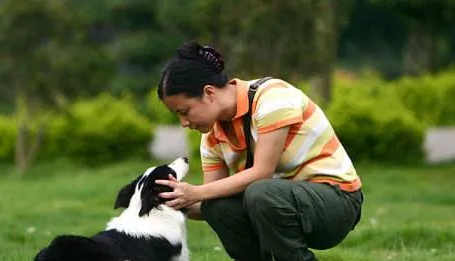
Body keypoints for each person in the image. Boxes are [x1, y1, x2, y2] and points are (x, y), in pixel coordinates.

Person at [154, 40, 363, 261]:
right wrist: (169, 202)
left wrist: (194, 193)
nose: (184, 123)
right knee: (216, 205)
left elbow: (262, 172)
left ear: (209, 93)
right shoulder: (212, 138)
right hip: (278, 205)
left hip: (337, 202)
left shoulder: (273, 98)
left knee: (260, 192)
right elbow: (208, 202)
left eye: (185, 111)